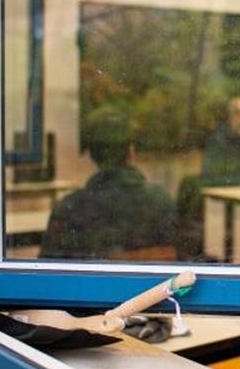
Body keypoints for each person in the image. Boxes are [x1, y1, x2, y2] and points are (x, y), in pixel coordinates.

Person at [40, 107, 176, 260]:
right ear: (131, 151)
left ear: (92, 156)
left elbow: (47, 272)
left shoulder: (68, 208)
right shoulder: (162, 201)